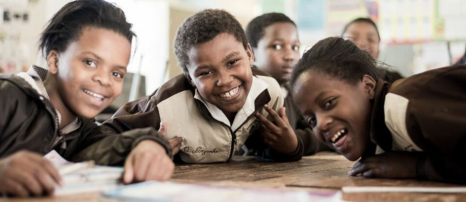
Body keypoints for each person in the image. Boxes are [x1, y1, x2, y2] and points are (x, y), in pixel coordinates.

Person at [0, 0, 174, 197]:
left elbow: (111, 145)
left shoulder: (81, 128)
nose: (104, 80)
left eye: (116, 73)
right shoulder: (6, 96)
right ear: (54, 61)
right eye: (90, 62)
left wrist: (148, 145)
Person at [291, 37, 466, 185]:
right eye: (311, 120)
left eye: (329, 102)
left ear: (367, 86)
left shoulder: (405, 105)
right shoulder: (380, 133)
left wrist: (418, 167)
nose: (322, 123)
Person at [109, 9, 303, 163]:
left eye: (232, 62)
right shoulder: (165, 107)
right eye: (205, 73)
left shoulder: (268, 91)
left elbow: (262, 147)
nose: (225, 80)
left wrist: (291, 148)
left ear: (249, 54)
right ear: (190, 78)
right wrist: (141, 149)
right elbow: (104, 136)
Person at [245, 12, 330, 155]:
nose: (290, 56)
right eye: (277, 46)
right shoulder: (252, 92)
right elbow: (268, 146)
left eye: (295, 47)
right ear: (251, 53)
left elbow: (321, 129)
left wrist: (296, 141)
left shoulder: (290, 91)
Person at [341, 17, 403, 83]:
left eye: (370, 39)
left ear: (378, 51)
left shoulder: (395, 81)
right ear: (340, 46)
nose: (362, 44)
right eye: (353, 38)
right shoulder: (330, 77)